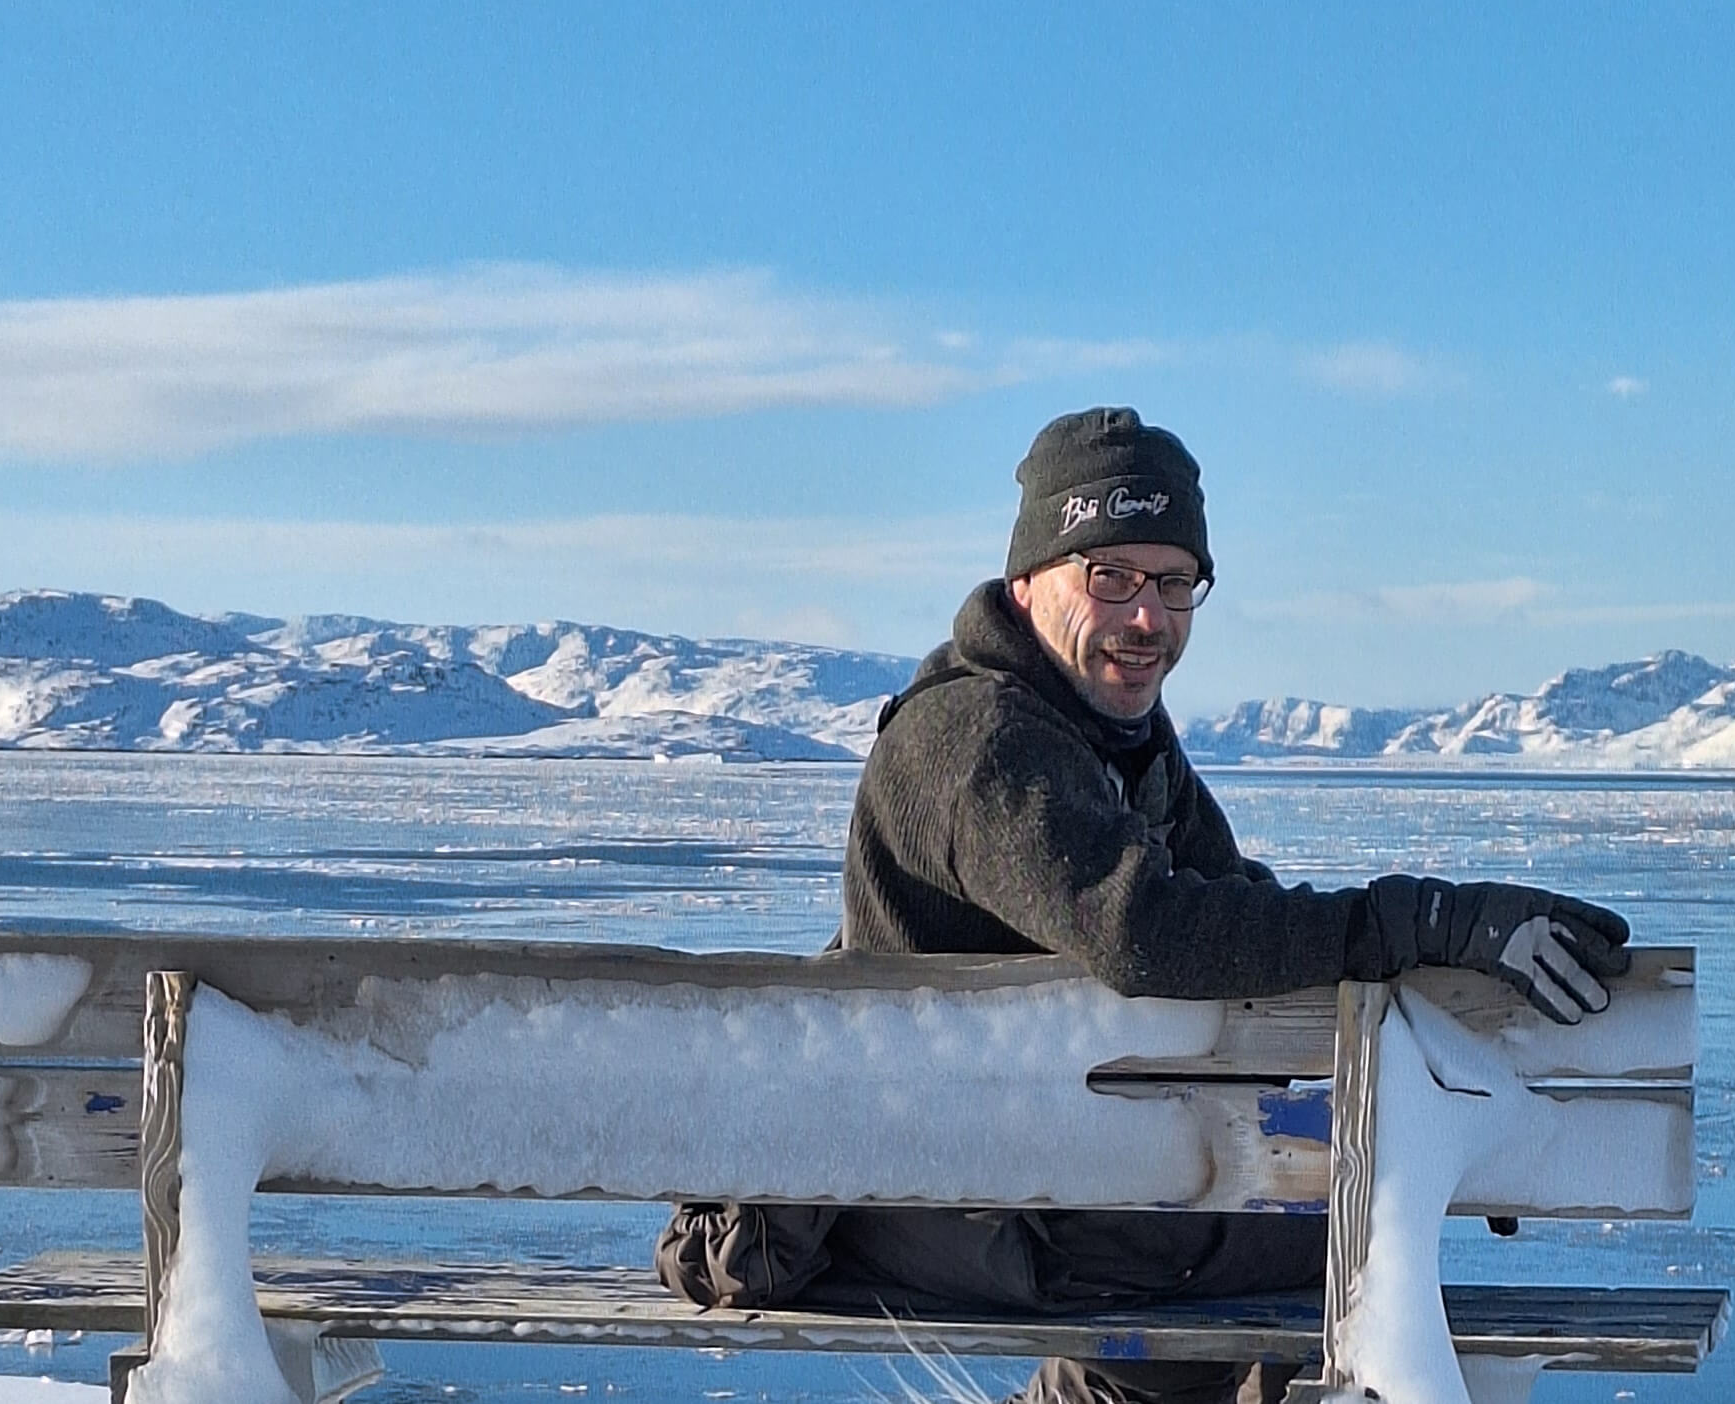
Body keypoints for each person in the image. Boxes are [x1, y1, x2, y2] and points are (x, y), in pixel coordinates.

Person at [658, 407, 1632, 1404]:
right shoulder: (983, 744)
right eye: (1110, 576)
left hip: (1055, 1181)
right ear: (1026, 581)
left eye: (1174, 584)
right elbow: (1146, 932)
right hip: (958, 1198)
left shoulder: (1118, 743)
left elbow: (1240, 918)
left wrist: (1445, 1108)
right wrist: (1419, 919)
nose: (1146, 618)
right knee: (1334, 1237)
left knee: (1327, 1226)